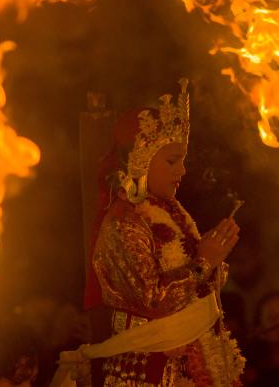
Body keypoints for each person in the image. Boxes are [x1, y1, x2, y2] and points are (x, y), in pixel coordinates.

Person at [52, 79, 245, 386]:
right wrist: (202, 262)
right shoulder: (125, 222)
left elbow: (197, 286)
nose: (182, 171)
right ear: (140, 161)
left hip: (187, 357)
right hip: (149, 366)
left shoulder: (174, 212)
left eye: (183, 160)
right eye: (172, 161)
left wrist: (212, 255)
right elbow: (152, 299)